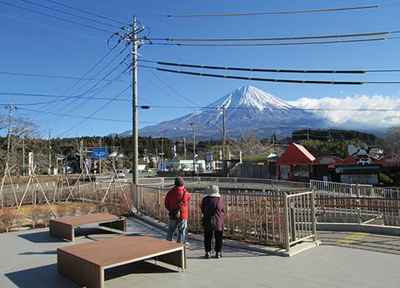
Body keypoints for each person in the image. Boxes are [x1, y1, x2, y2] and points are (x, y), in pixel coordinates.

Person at [165, 176, 192, 244]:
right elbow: (189, 197)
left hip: (173, 213)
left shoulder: (170, 192)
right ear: (182, 183)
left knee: (171, 228)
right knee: (181, 230)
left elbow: (166, 203)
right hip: (182, 214)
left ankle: (168, 241)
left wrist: (170, 209)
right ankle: (180, 243)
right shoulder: (185, 193)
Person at [201, 185, 225, 259]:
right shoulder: (221, 199)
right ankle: (218, 252)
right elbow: (223, 210)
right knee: (218, 236)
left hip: (208, 220)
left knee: (207, 236)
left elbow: (202, 209)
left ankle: (208, 252)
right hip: (218, 220)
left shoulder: (205, 199)